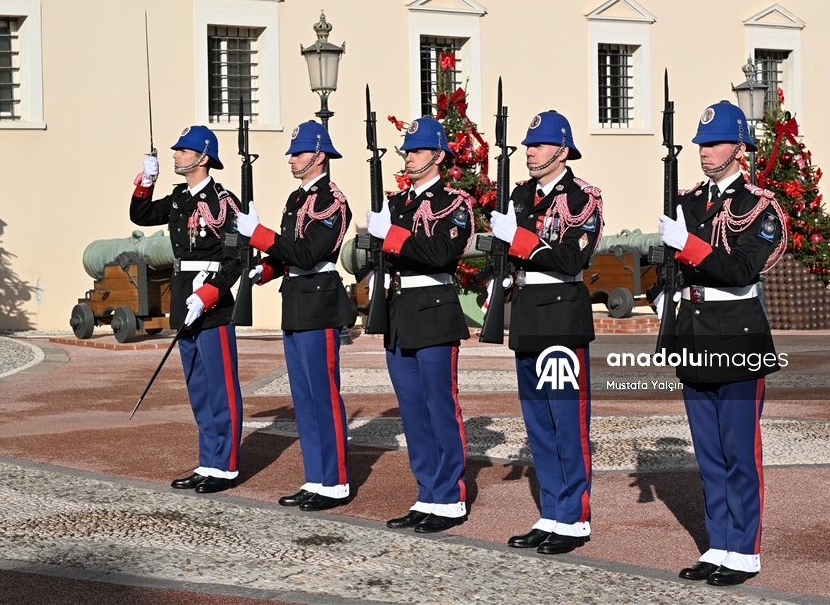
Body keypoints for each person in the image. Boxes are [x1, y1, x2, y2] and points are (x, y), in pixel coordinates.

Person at [656, 101, 786, 586]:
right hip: (693, 331)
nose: (704, 151)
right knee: (709, 452)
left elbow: (740, 270)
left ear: (739, 148)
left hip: (737, 333)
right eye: (701, 144)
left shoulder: (759, 207)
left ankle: (744, 550)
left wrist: (688, 246)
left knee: (739, 451)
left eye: (714, 143)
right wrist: (661, 289)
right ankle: (719, 544)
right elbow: (671, 266)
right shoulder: (689, 202)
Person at [488, 110, 603, 555]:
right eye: (528, 145)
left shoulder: (582, 198)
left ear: (562, 150)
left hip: (561, 317)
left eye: (538, 145)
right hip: (528, 316)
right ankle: (552, 512)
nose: (530, 152)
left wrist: (518, 241)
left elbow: (572, 259)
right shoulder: (519, 195)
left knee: (566, 423)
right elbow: (509, 256)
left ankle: (574, 518)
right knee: (538, 423)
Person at [235, 121, 355, 510]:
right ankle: (315, 478)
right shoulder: (296, 198)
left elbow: (306, 255)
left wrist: (259, 234)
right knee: (303, 399)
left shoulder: (332, 201)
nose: (291, 159)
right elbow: (288, 251)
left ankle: (335, 482)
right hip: (295, 303)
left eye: (298, 153)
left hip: (319, 304)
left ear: (319, 156)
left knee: (324, 397)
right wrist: (265, 269)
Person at [365, 116, 472, 533]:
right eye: (406, 151)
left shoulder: (454, 202)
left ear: (438, 156)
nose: (409, 158)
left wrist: (391, 236)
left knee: (440, 407)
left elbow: (441, 253)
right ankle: (427, 492)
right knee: (412, 411)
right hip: (399, 312)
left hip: (433, 310)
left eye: (417, 151)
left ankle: (450, 498)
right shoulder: (397, 204)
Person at [130, 125, 244, 493]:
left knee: (220, 387)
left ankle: (226, 467)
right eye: (176, 149)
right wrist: (147, 182)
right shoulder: (180, 197)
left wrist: (209, 293)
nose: (176, 154)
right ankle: (208, 460)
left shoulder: (224, 201)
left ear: (203, 157)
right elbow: (141, 215)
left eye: (183, 150)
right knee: (198, 387)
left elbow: (237, 258)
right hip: (183, 298)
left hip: (211, 303)